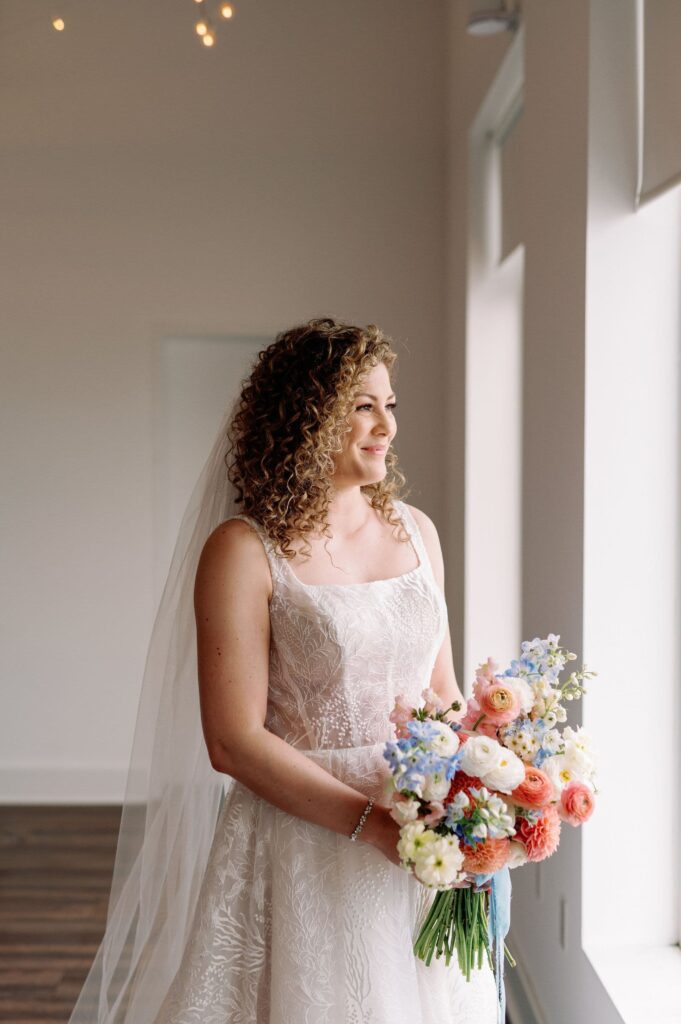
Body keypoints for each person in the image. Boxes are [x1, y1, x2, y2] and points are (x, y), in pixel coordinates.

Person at [67, 316, 499, 1024]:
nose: (384, 426)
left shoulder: (417, 533)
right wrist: (371, 824)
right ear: (304, 416)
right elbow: (232, 740)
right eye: (361, 406)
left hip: (421, 841)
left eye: (388, 405)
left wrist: (477, 804)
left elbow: (442, 695)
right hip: (304, 843)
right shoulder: (244, 550)